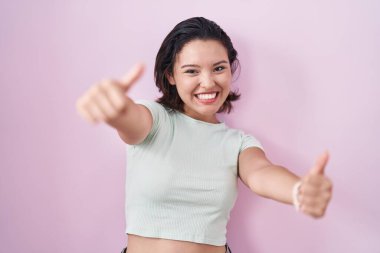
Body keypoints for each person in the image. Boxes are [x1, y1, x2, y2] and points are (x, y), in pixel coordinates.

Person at [75, 17, 333, 253]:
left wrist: (297, 190)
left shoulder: (238, 143)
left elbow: (261, 173)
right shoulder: (155, 120)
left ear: (231, 70)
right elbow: (128, 118)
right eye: (191, 71)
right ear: (171, 76)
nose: (208, 82)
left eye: (219, 68)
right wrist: (113, 108)